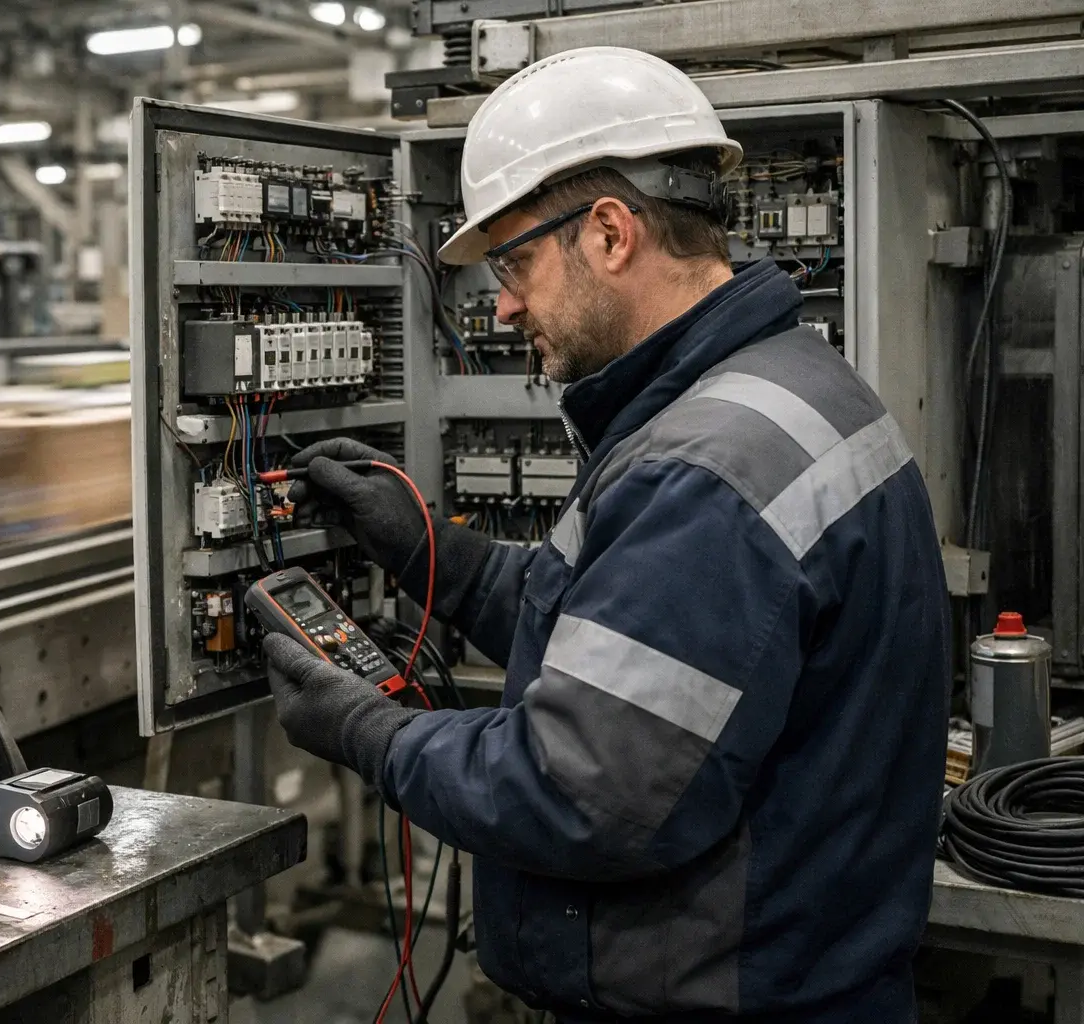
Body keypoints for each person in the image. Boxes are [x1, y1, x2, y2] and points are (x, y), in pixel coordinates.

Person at [263, 46, 950, 1022]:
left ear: (611, 234)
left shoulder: (704, 471)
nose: (503, 305)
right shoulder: (781, 386)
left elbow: (578, 793)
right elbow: (626, 642)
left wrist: (371, 732)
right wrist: (434, 556)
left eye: (515, 264)